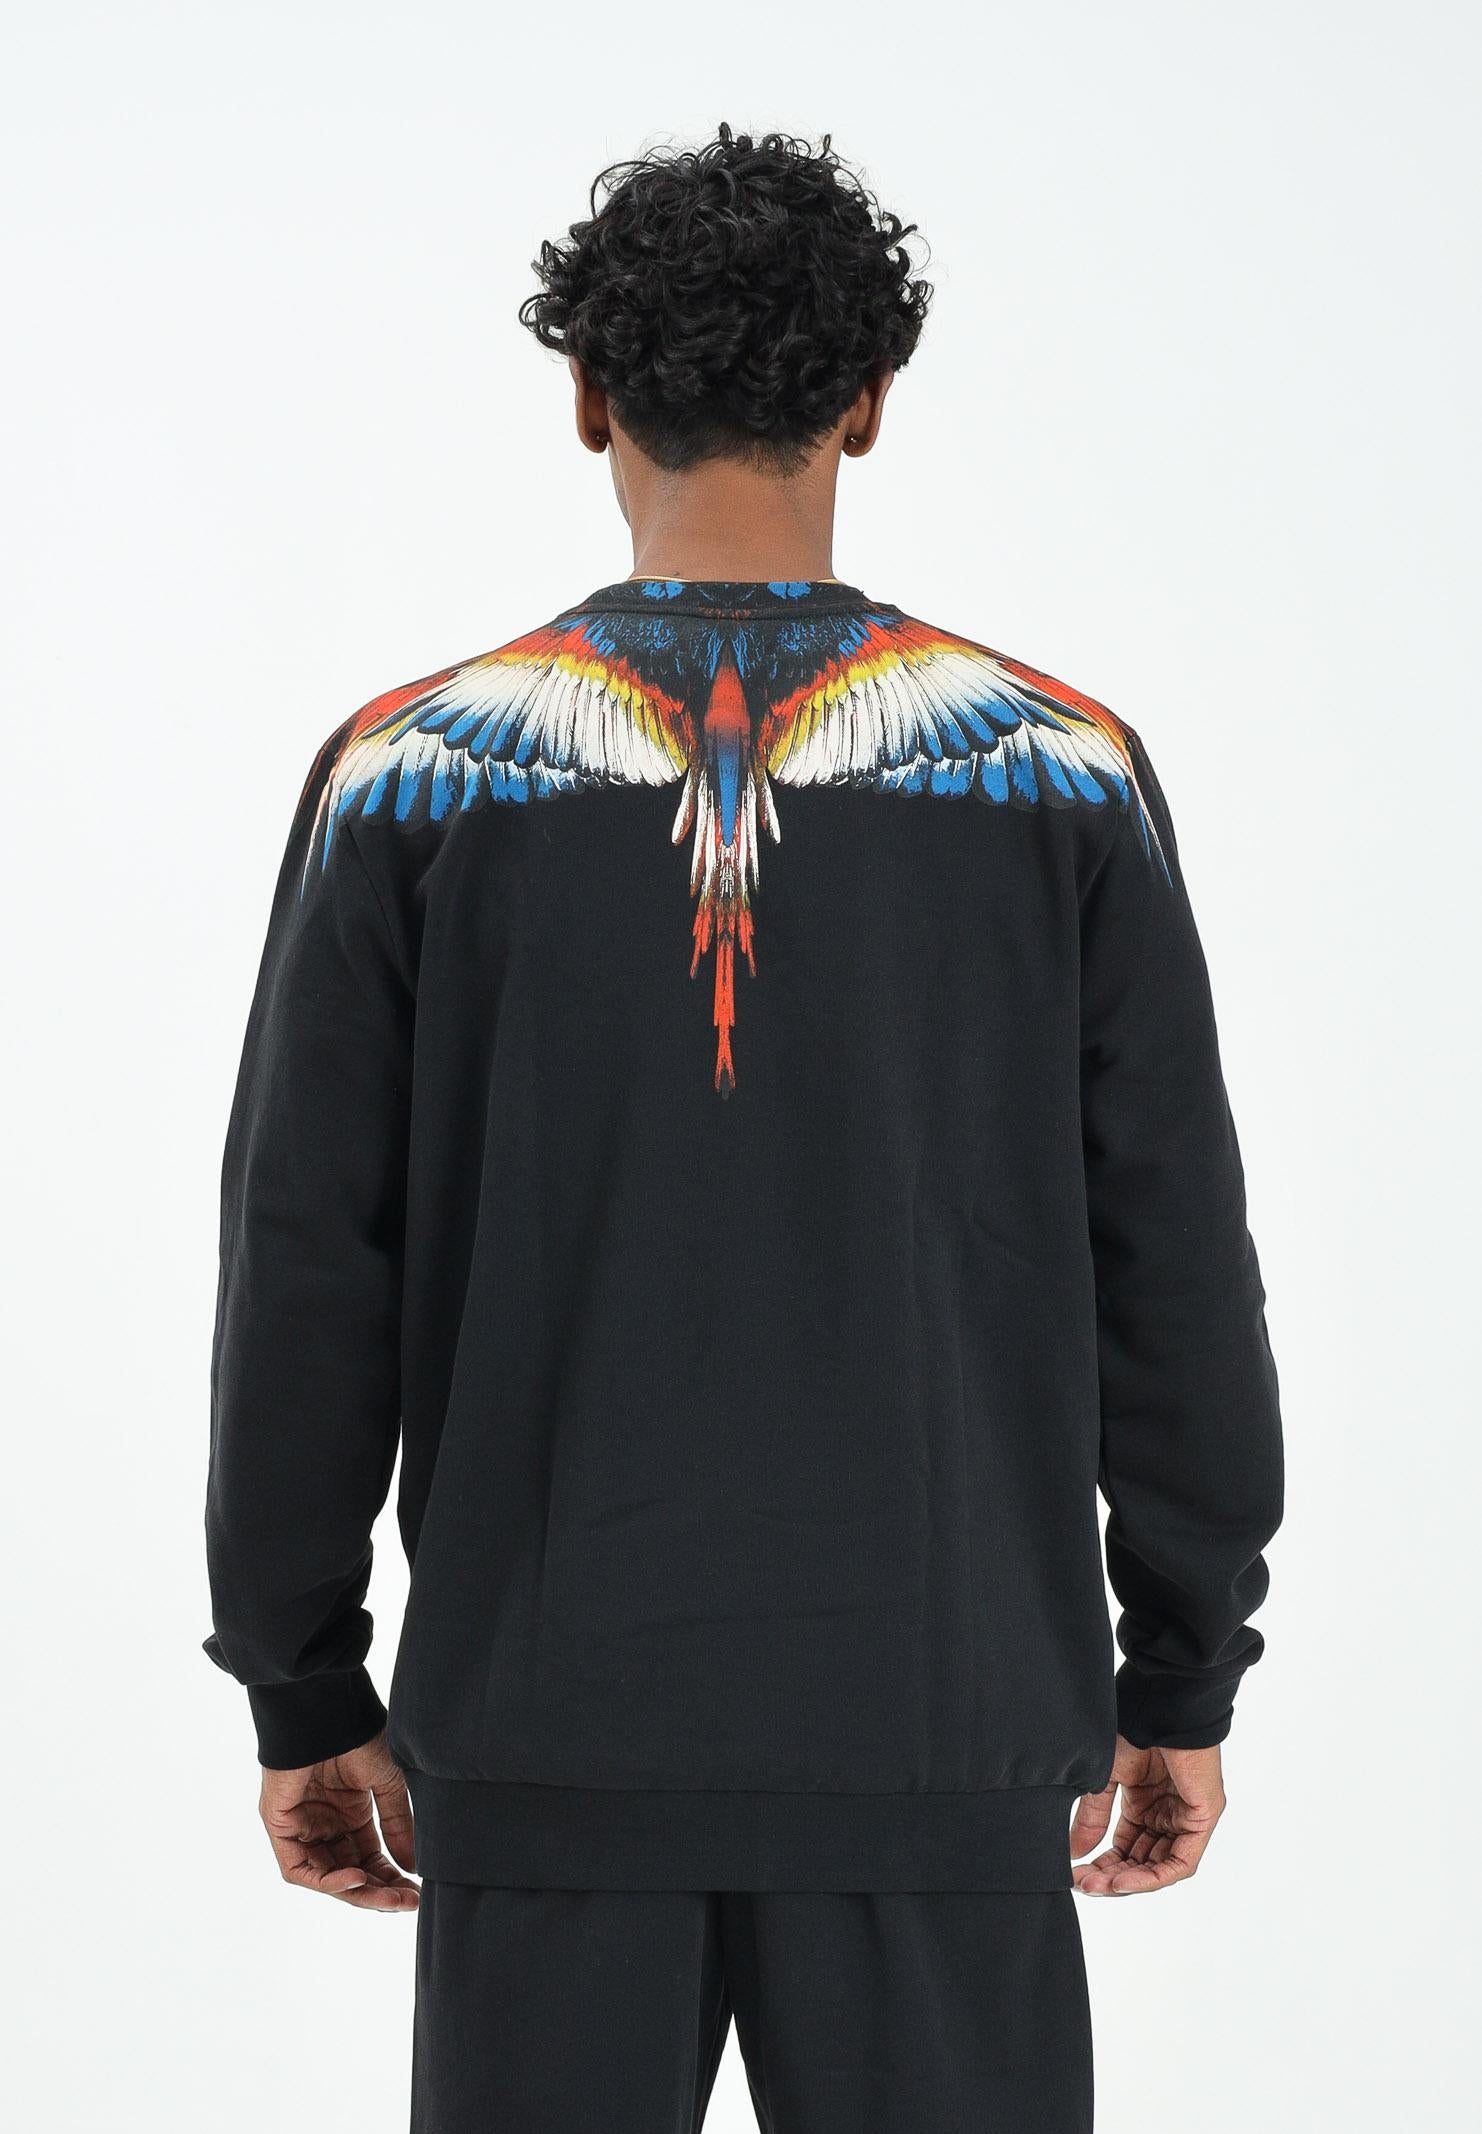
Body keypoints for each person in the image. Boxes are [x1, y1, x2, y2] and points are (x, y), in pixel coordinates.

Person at [204, 124, 1283, 2133]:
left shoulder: (404, 777)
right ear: (869, 399)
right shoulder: (1064, 773)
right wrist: (1183, 1661)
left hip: (544, 1732)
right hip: (941, 1730)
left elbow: (304, 1266)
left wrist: (303, 1677)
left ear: (587, 394)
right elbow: (1175, 1254)